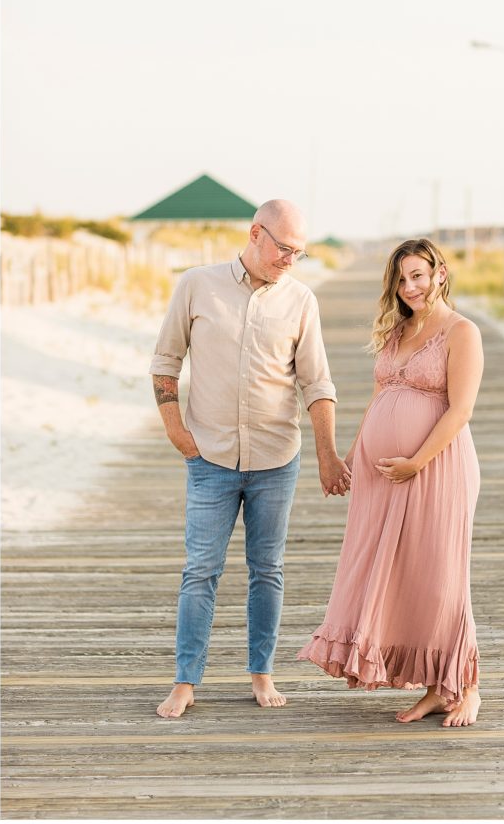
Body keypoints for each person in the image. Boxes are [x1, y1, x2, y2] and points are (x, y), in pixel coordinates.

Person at [151, 199, 350, 718]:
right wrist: (176, 430)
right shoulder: (197, 284)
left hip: (276, 460)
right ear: (256, 233)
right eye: (284, 248)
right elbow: (166, 360)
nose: (289, 260)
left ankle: (261, 672)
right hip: (209, 458)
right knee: (200, 571)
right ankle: (185, 681)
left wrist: (329, 455)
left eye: (299, 253)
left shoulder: (301, 300)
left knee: (268, 569)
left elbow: (316, 382)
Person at [298, 237, 484, 727]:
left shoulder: (462, 332)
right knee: (406, 578)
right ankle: (434, 689)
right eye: (402, 280)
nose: (410, 287)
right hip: (385, 476)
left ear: (440, 272)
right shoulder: (397, 330)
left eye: (418, 276)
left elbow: (460, 410)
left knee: (441, 575)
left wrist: (416, 461)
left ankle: (465, 686)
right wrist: (354, 456)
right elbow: (379, 398)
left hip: (436, 468)